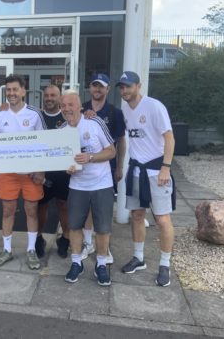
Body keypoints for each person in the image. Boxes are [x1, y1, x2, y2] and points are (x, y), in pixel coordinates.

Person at [117, 71, 176, 287]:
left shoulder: (154, 107)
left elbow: (169, 138)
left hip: (156, 171)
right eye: (121, 87)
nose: (124, 90)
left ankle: (164, 264)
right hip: (136, 170)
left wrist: (165, 168)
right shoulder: (125, 110)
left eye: (128, 86)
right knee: (137, 215)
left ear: (138, 86)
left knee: (162, 219)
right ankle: (139, 257)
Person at [0, 74, 47, 270]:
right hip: (8, 173)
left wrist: (41, 171)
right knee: (7, 210)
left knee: (31, 211)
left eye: (15, 89)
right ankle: (7, 250)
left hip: (30, 174)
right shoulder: (0, 116)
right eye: (8, 90)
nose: (11, 93)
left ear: (23, 91)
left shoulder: (34, 114)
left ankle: (31, 250)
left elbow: (44, 144)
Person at [61, 90, 116, 286]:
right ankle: (76, 263)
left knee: (102, 228)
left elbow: (111, 151)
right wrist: (66, 168)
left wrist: (90, 157)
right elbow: (62, 160)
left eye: (71, 105)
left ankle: (101, 265)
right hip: (77, 186)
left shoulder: (94, 123)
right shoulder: (61, 132)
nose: (67, 109)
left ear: (79, 107)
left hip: (101, 184)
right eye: (64, 106)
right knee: (74, 226)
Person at [80, 73, 126, 262]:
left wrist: (120, 167)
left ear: (107, 90)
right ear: (90, 88)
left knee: (103, 209)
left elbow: (120, 142)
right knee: (86, 209)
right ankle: (88, 243)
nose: (97, 89)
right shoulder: (80, 108)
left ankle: (104, 248)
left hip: (106, 168)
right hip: (83, 167)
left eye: (101, 86)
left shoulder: (115, 112)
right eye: (94, 85)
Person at [36, 84, 70, 258]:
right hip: (43, 172)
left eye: (53, 95)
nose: (49, 98)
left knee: (64, 206)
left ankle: (65, 239)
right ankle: (39, 238)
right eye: (46, 95)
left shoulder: (67, 116)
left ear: (60, 97)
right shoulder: (37, 116)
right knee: (41, 206)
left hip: (64, 172)